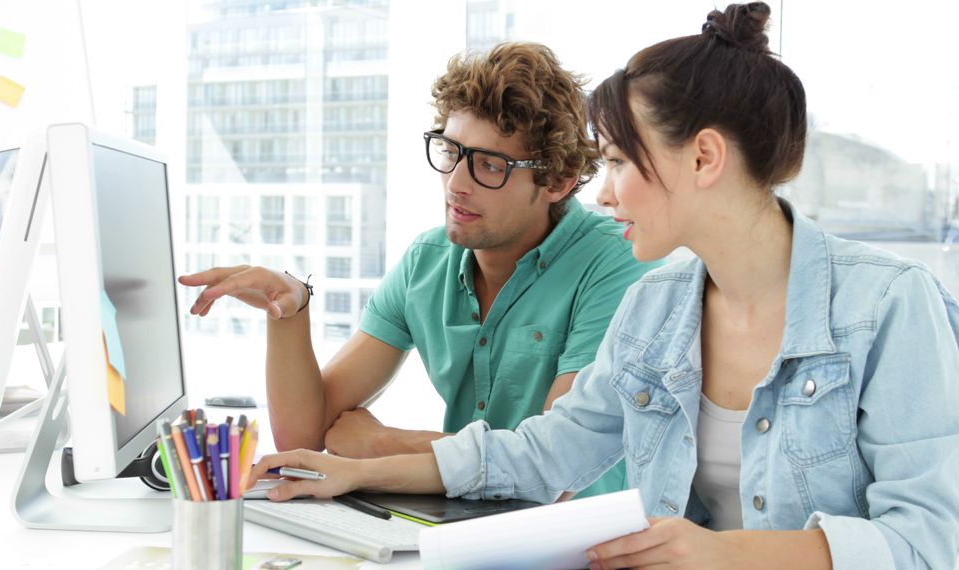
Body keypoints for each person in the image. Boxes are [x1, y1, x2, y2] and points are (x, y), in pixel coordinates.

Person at [247, 3, 959, 568]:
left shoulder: (890, 306)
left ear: (705, 156)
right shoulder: (657, 307)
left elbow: (930, 543)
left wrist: (721, 557)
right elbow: (542, 452)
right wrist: (351, 473)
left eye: (618, 161)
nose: (603, 193)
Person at [180, 42, 659, 498]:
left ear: (557, 181)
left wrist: (382, 444)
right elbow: (302, 435)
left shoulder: (616, 262)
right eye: (451, 152)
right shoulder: (426, 262)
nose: (455, 183)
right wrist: (289, 310)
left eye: (489, 165)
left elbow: (556, 469)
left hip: (578, 544)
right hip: (463, 515)